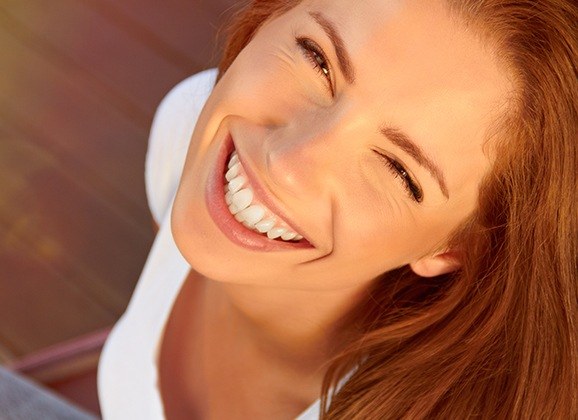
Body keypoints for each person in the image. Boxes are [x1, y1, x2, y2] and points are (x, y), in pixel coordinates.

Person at [97, 0, 578, 418]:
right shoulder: (187, 133)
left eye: (397, 170)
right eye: (318, 60)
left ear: (454, 247)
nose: (288, 165)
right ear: (270, 17)